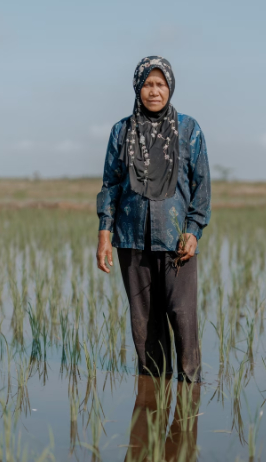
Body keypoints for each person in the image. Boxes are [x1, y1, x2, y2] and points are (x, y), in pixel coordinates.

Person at [96, 56, 211, 383]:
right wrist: (104, 233)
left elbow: (201, 184)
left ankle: (190, 393)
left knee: (181, 315)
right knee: (144, 322)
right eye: (148, 84)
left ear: (170, 87)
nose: (154, 91)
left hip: (177, 239)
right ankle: (152, 394)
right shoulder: (122, 130)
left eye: (160, 84)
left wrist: (193, 230)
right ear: (138, 87)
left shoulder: (189, 129)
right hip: (131, 238)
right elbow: (110, 185)